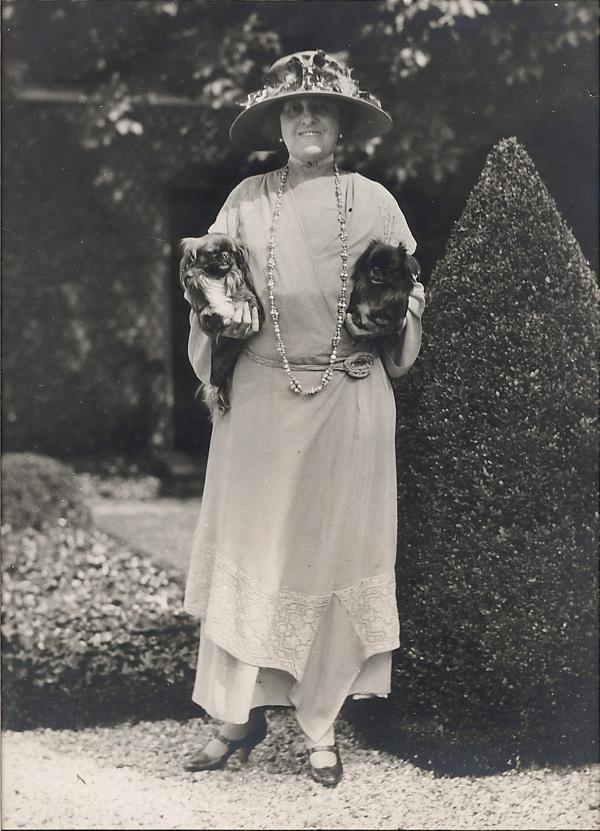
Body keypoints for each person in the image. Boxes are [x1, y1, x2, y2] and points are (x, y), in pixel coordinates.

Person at [182, 49, 425, 787]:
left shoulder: (376, 200)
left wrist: (398, 308)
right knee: (255, 554)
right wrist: (216, 341)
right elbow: (213, 301)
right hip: (261, 405)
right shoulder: (246, 200)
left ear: (343, 123)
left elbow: (412, 297)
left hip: (349, 401)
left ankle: (321, 725)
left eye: (321, 108)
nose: (307, 118)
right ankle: (236, 715)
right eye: (293, 108)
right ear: (278, 123)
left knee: (332, 556)